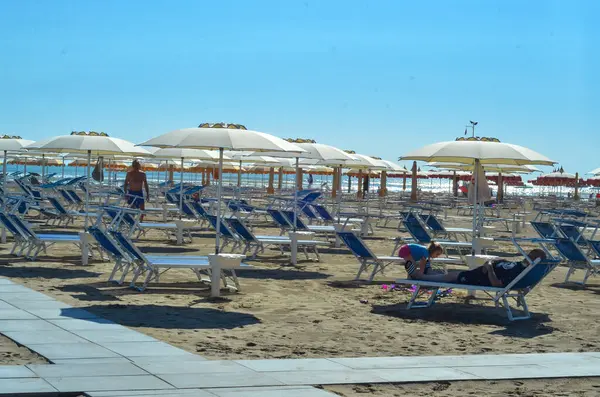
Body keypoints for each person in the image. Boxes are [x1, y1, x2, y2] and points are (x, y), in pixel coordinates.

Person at [419, 249, 547, 287]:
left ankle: (422, 278)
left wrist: (490, 267)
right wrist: (495, 260)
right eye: (528, 253)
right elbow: (506, 263)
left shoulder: (518, 272)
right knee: (451, 274)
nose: (527, 256)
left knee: (452, 276)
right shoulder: (520, 266)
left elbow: (496, 283)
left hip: (480, 278)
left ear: (534, 261)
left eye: (530, 256)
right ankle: (428, 274)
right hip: (483, 271)